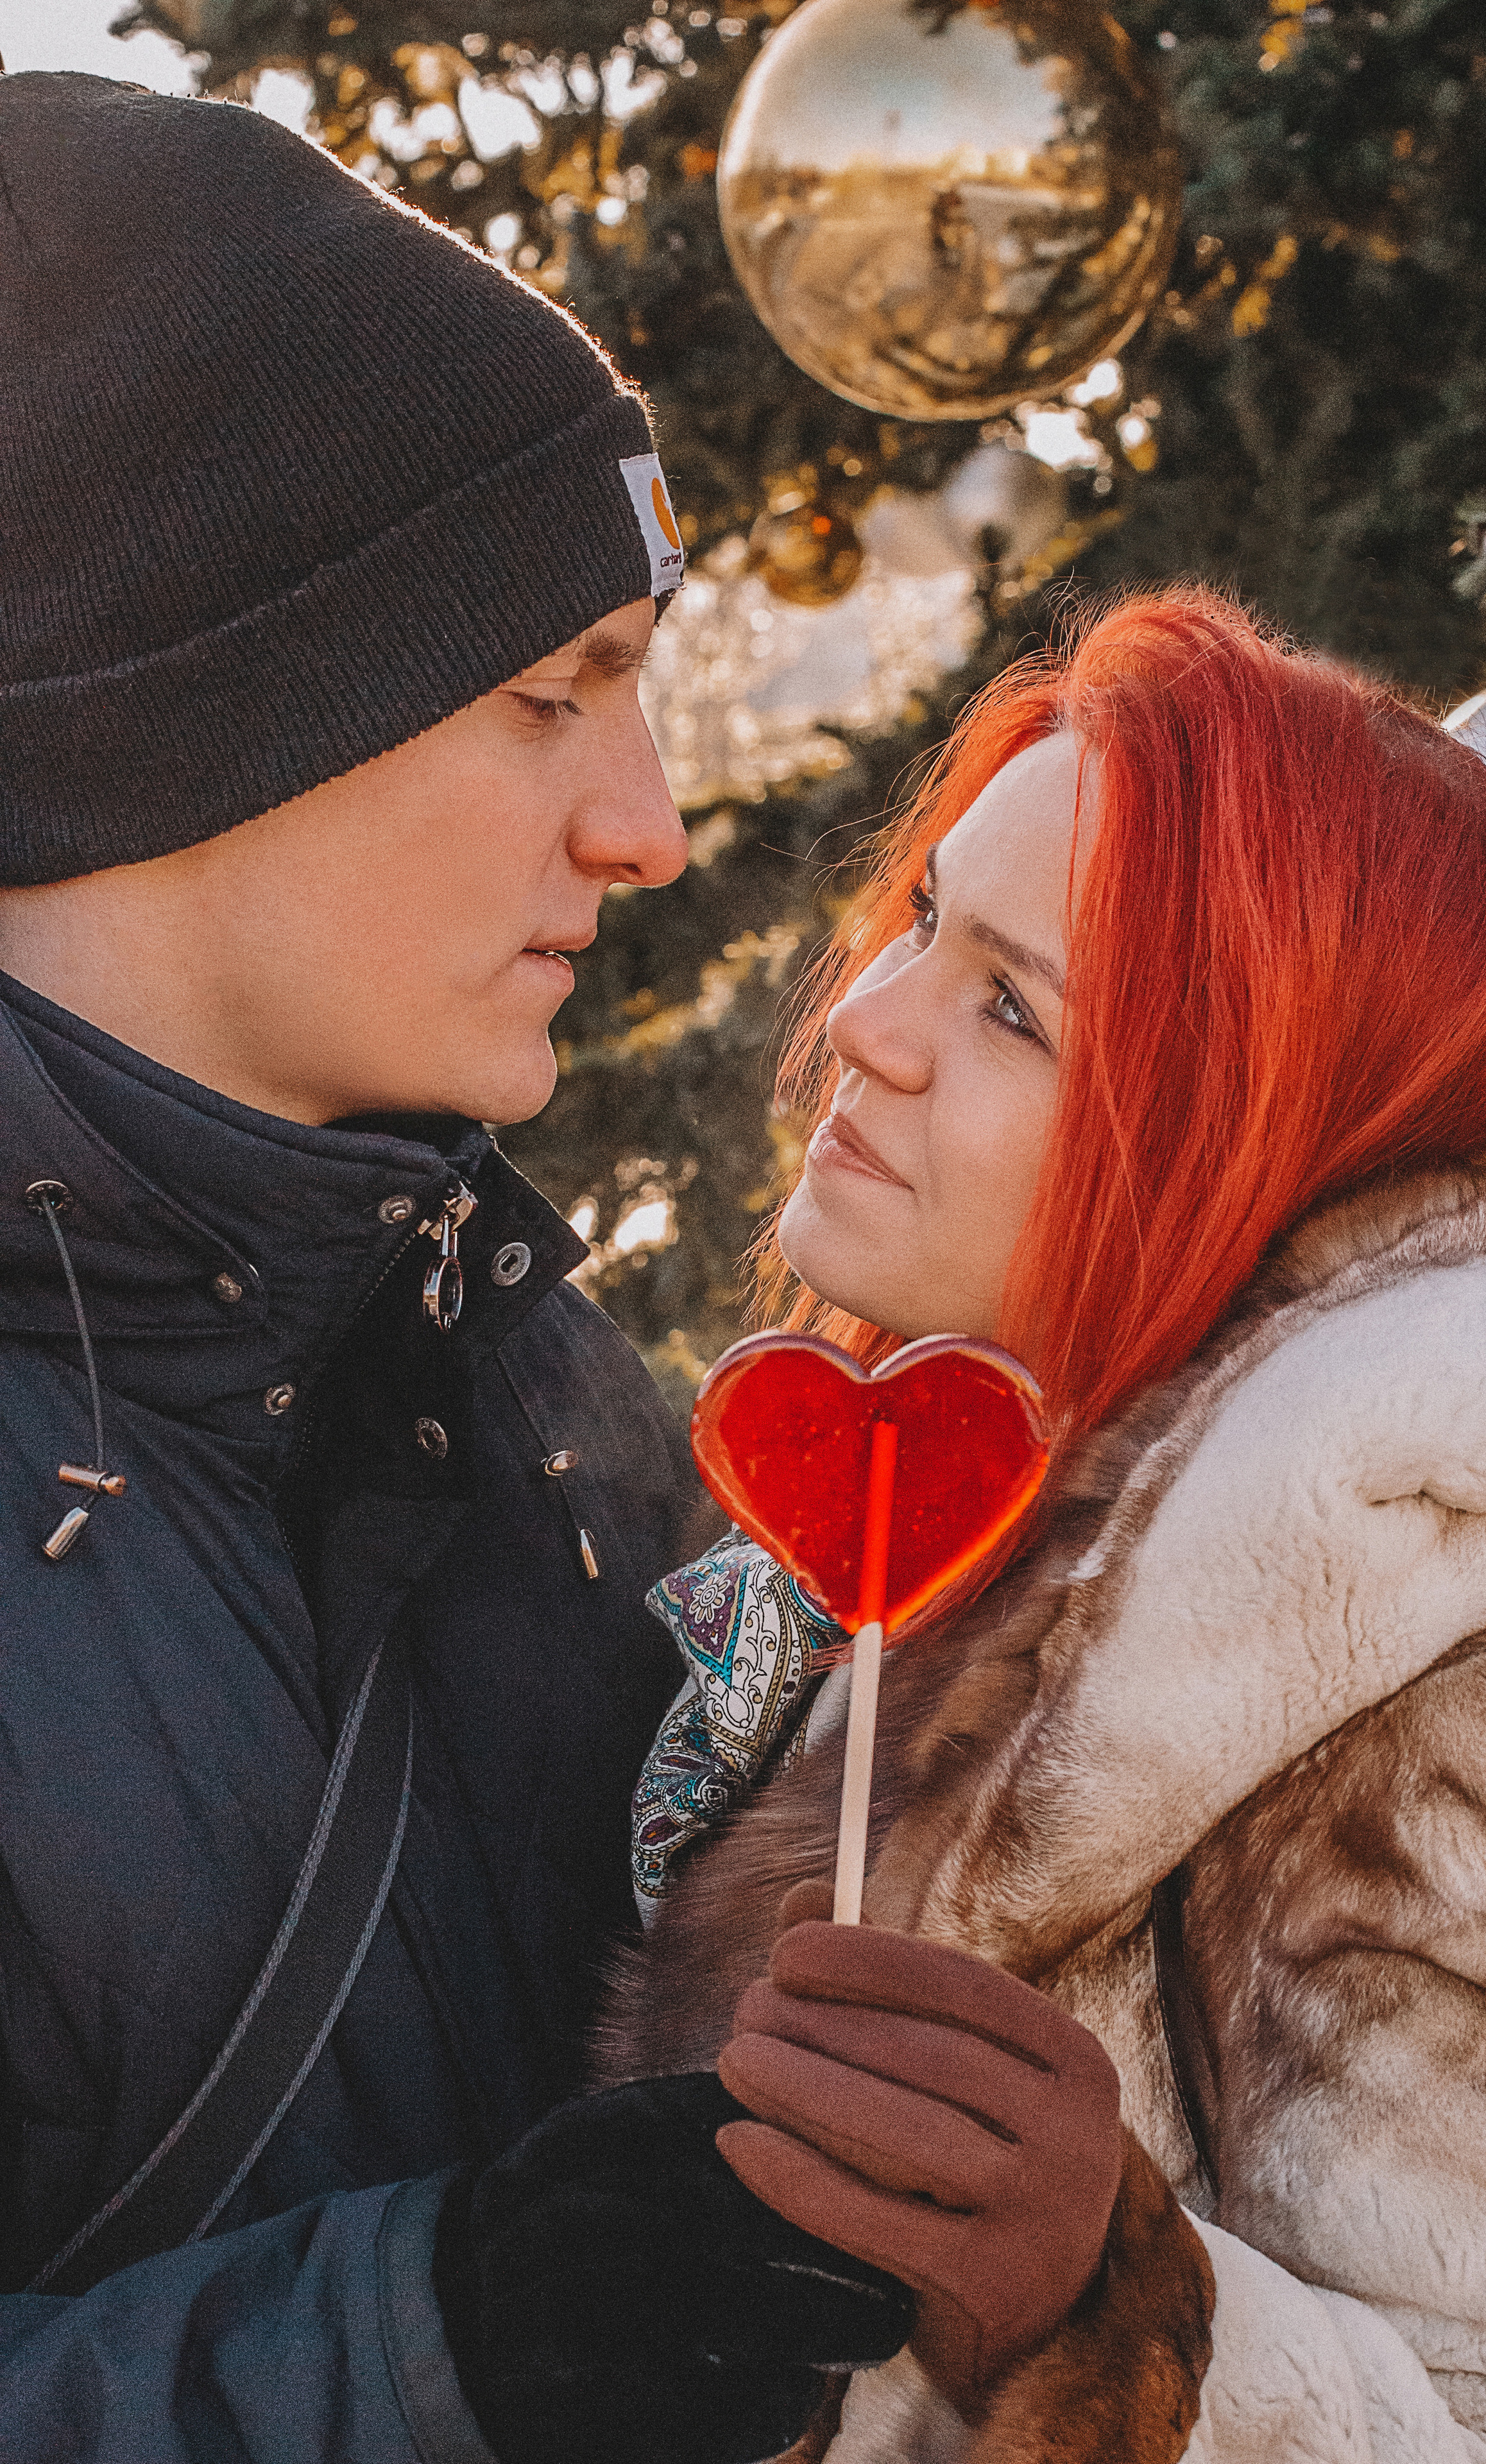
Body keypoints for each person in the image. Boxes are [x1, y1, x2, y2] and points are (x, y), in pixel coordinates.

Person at [0, 71, 925, 2464]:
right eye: (549, 696)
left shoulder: (524, 1378)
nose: (654, 826)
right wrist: (438, 2356)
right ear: (196, 727)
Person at [609, 589, 1486, 2461]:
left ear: (1235, 1132)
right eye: (922, 923)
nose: (862, 1021)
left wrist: (1125, 2327)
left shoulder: (1482, 1715)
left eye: (1010, 1008)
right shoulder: (962, 1546)